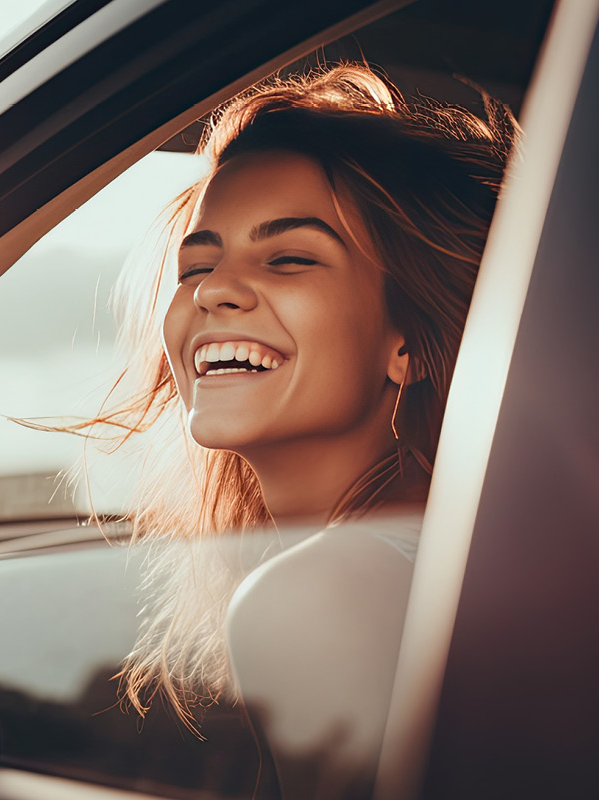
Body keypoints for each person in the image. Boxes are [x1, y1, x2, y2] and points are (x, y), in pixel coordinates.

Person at [73, 64, 514, 795]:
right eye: (197, 264)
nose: (214, 289)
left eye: (288, 258)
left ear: (405, 340)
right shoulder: (435, 557)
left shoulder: (326, 592)